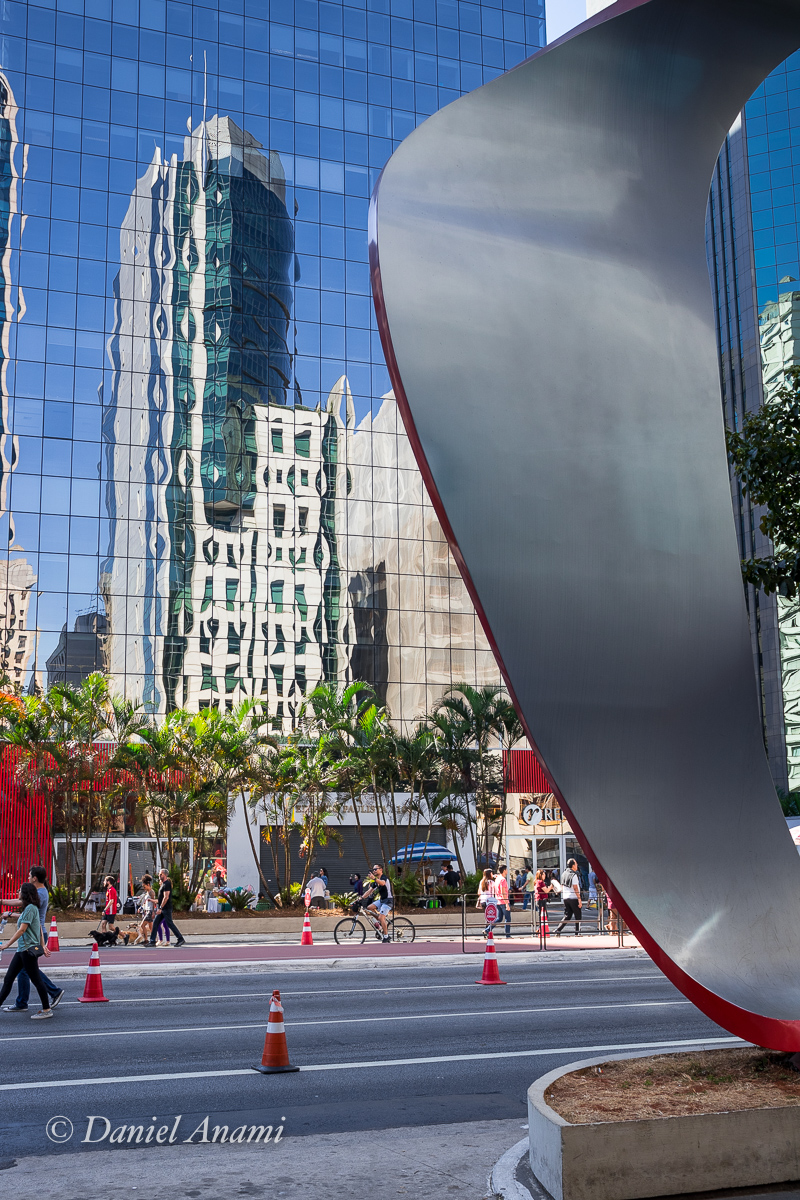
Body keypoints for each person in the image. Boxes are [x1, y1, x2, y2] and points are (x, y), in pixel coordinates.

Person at [2, 866, 64, 1013]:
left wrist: (4, 904)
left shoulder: (39, 894)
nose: (28, 877)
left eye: (29, 875)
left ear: (35, 878)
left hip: (33, 936)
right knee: (24, 971)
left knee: (30, 972)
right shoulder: (38, 893)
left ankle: (51, 994)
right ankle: (23, 1002)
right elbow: (26, 914)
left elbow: (25, 911)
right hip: (32, 935)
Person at [0, 881, 53, 1019]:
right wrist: (43, 945)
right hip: (22, 950)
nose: (18, 892)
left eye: (19, 890)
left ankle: (47, 1009)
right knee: (9, 978)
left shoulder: (30, 908)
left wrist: (7, 945)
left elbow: (22, 930)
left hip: (28, 950)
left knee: (36, 980)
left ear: (24, 894)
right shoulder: (29, 908)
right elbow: (39, 926)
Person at [148, 869, 186, 947]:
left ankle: (180, 939)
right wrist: (153, 901)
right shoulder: (163, 884)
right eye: (159, 874)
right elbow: (161, 899)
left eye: (161, 874)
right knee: (155, 923)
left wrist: (160, 908)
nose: (159, 876)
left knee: (170, 924)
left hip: (166, 908)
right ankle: (152, 941)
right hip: (162, 909)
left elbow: (166, 897)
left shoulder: (167, 884)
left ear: (165, 875)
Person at [363, 864, 393, 942]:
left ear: (381, 869)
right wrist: (360, 898)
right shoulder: (376, 881)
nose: (374, 871)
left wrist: (374, 878)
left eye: (375, 869)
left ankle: (386, 936)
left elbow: (382, 883)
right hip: (382, 900)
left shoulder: (384, 878)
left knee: (381, 917)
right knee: (369, 908)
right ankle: (380, 923)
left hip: (388, 900)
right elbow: (369, 891)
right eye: (373, 870)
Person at [553, 858, 582, 936]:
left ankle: (558, 930)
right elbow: (575, 888)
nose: (577, 865)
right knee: (578, 915)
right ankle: (577, 932)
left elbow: (562, 886)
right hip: (573, 897)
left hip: (566, 897)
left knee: (567, 915)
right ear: (573, 865)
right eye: (576, 863)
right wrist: (579, 899)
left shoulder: (564, 874)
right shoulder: (573, 875)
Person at [489, 864, 512, 938]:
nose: (507, 871)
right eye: (506, 869)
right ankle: (507, 935)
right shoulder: (503, 880)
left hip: (498, 900)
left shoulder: (498, 879)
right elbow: (503, 892)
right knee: (507, 919)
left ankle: (487, 929)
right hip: (503, 901)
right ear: (504, 870)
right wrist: (507, 903)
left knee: (499, 918)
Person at [133, 875, 156, 945]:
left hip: (150, 911)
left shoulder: (151, 892)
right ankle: (153, 940)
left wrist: (153, 912)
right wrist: (141, 908)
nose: (144, 888)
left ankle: (146, 939)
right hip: (147, 910)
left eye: (144, 886)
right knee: (151, 927)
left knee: (142, 925)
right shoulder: (147, 892)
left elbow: (154, 902)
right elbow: (145, 902)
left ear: (148, 884)